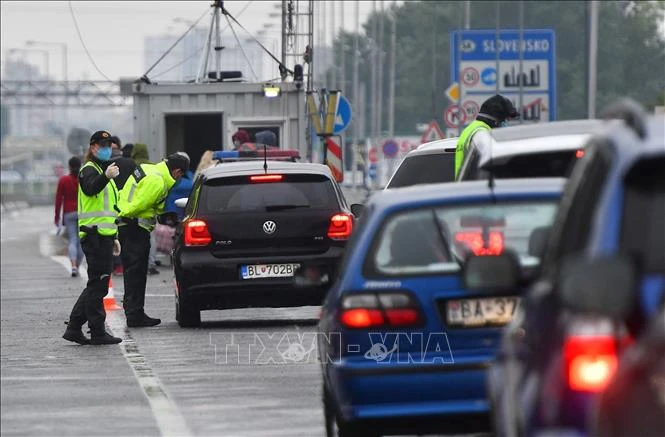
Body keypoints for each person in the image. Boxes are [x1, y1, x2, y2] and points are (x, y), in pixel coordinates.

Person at [62, 130, 123, 345]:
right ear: (93, 147)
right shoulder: (89, 170)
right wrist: (106, 177)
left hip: (103, 235)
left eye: (109, 144)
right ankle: (96, 331)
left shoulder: (101, 169)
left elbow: (109, 209)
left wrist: (114, 235)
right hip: (94, 235)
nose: (107, 148)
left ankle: (74, 327)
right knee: (98, 285)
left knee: (97, 285)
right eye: (102, 144)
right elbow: (89, 190)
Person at [116, 152, 190, 327]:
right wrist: (124, 215)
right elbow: (139, 205)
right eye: (180, 174)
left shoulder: (148, 168)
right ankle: (135, 315)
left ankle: (133, 311)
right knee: (137, 273)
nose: (179, 178)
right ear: (177, 171)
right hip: (135, 229)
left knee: (133, 272)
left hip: (128, 228)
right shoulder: (158, 181)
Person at [454, 94, 519, 179]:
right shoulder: (483, 135)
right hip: (476, 187)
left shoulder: (471, 129)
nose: (506, 123)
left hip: (464, 185)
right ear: (496, 119)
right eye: (506, 119)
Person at [130, 144, 160, 274]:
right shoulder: (153, 167)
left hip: (135, 208)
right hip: (150, 208)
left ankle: (138, 264)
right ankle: (151, 263)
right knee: (151, 236)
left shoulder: (134, 167)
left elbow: (130, 187)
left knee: (135, 238)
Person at [109, 136, 137, 276]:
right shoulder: (130, 163)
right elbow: (135, 184)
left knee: (117, 236)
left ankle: (119, 265)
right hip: (126, 206)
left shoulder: (104, 165)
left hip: (114, 206)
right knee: (124, 236)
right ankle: (124, 264)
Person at [55, 156, 85, 277]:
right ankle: (77, 265)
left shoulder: (63, 180)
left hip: (69, 213)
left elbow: (58, 200)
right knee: (82, 241)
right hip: (83, 213)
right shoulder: (83, 179)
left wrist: (57, 217)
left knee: (72, 240)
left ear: (69, 166)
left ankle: (73, 265)